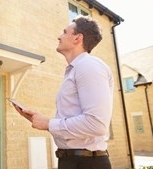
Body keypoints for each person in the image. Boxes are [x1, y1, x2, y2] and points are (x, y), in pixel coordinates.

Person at [12, 16, 114, 169]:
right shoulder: (75, 70)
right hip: (71, 160)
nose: (59, 36)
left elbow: (96, 124)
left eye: (65, 32)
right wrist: (40, 120)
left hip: (86, 163)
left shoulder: (88, 66)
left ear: (77, 39)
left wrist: (48, 123)